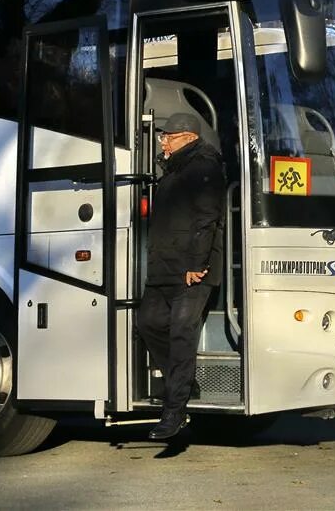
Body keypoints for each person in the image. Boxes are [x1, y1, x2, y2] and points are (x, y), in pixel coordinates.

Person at [137, 112, 226, 441]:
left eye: (168, 137)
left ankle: (174, 411)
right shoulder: (174, 169)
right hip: (165, 267)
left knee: (181, 331)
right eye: (163, 136)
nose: (163, 141)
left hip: (192, 270)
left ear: (188, 138)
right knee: (147, 322)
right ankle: (184, 385)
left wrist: (196, 263)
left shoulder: (203, 167)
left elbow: (207, 219)